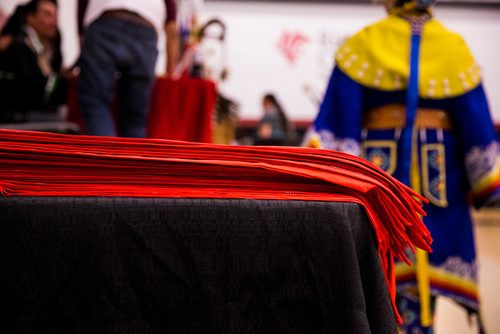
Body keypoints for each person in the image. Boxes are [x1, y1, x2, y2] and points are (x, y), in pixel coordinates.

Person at [302, 0, 499, 332]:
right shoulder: (454, 49)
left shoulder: (363, 44)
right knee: (419, 296)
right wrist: (487, 184)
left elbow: (339, 127)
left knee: (376, 279)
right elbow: (475, 126)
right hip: (439, 187)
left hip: (379, 182)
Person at [77, 0, 179, 137]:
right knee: (135, 118)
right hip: (146, 29)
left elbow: (82, 9)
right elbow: (172, 28)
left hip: (106, 22)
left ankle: (105, 157)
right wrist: (170, 70)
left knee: (96, 104)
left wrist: (84, 48)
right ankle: (131, 158)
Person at [0, 0, 67, 123]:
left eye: (55, 16)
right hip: (18, 117)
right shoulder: (20, 46)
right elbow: (34, 92)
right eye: (48, 15)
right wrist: (63, 82)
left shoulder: (49, 48)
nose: (54, 22)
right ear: (30, 18)